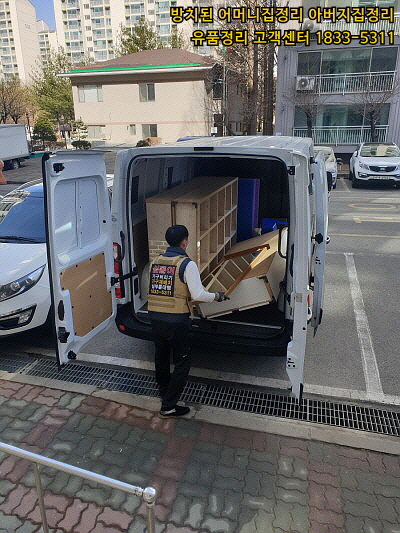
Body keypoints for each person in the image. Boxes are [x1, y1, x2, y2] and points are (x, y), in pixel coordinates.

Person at [148, 224, 229, 418]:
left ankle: (164, 393)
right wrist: (217, 296)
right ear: (184, 242)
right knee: (182, 362)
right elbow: (198, 294)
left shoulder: (155, 261)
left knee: (161, 357)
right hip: (176, 321)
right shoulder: (187, 264)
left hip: (155, 317)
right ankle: (168, 406)